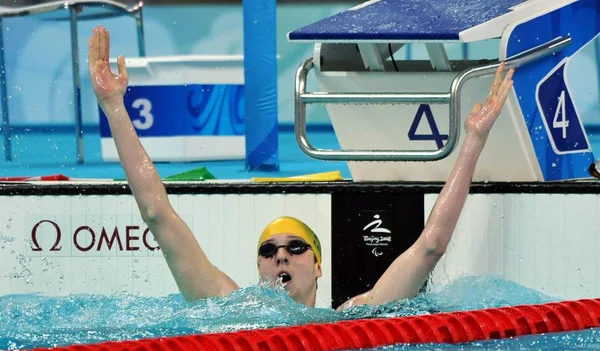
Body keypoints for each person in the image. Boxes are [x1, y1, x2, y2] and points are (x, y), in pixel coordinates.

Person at [88, 25, 514, 311]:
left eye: (295, 248)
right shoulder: (230, 308)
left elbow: (431, 245)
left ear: (318, 265)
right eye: (269, 251)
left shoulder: (351, 317)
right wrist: (114, 108)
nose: (280, 257)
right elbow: (157, 214)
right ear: (259, 269)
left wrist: (473, 139)